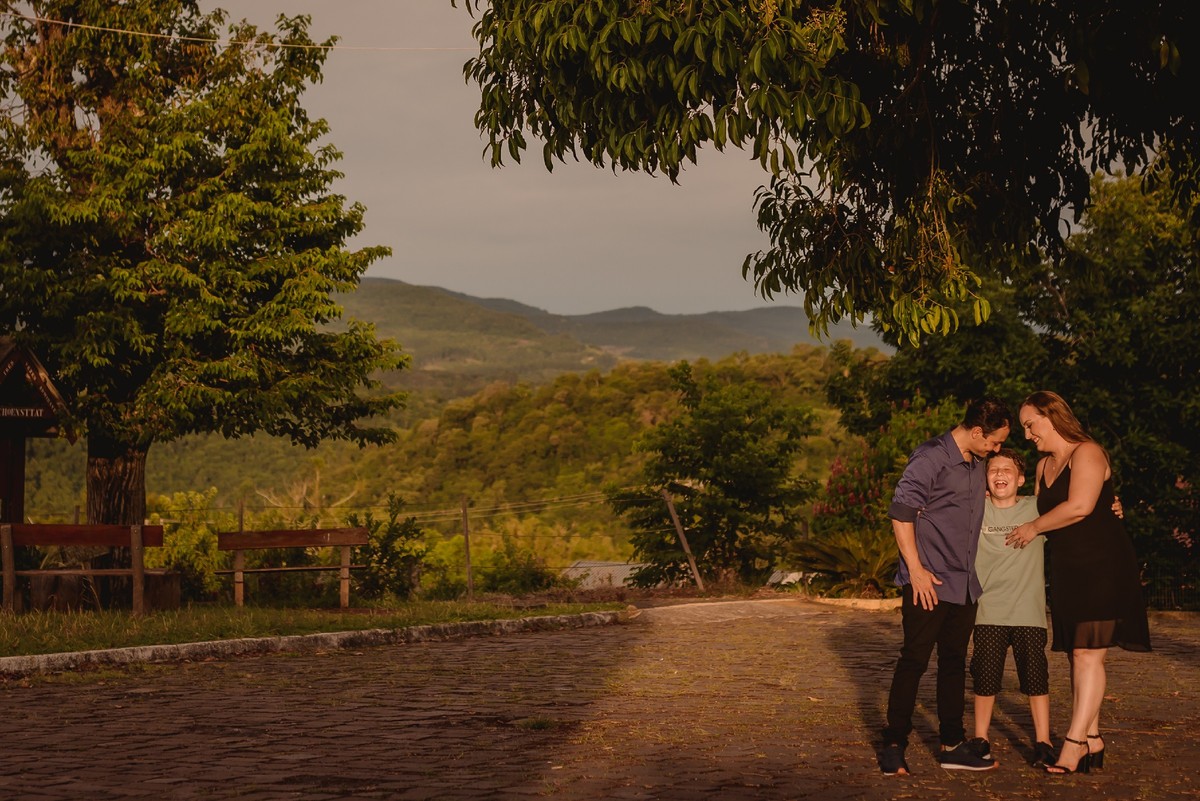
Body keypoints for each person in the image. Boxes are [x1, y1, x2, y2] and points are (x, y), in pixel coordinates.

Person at [1005, 390, 1151, 775]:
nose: (1027, 434)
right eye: (1024, 427)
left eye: (1030, 424)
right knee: (1077, 655)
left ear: (1051, 417)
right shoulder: (1041, 467)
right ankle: (1093, 737)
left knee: (1089, 654)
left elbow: (1082, 505)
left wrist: (1034, 527)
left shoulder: (1088, 452)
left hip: (1103, 564)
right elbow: (1031, 506)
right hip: (1068, 567)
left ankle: (1073, 744)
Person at [878, 396, 1013, 775]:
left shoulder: (977, 461)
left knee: (954, 662)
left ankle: (952, 743)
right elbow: (902, 514)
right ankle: (893, 743)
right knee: (914, 661)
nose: (997, 449)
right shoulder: (930, 457)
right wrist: (916, 570)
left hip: (964, 582)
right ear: (974, 431)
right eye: (994, 442)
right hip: (929, 581)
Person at [968, 448, 1056, 768]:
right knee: (985, 679)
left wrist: (1111, 505)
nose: (1000, 474)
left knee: (1036, 680)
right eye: (993, 470)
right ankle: (980, 739)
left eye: (1007, 470)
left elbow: (1077, 508)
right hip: (988, 611)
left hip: (1028, 613)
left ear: (1021, 479)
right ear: (985, 480)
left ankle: (1044, 742)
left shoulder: (1037, 509)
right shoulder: (975, 510)